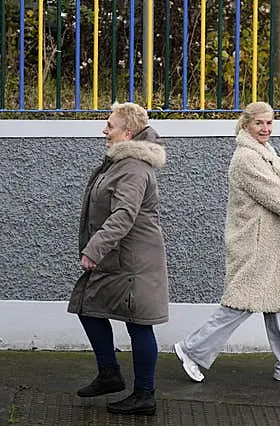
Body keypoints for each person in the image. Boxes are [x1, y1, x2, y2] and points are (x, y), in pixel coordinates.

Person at [174, 101, 280, 382]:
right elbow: (278, 197)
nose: (266, 128)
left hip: (267, 241)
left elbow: (274, 191)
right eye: (259, 123)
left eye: (269, 123)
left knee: (278, 303)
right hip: (255, 243)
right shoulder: (247, 158)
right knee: (241, 302)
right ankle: (192, 350)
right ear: (246, 124)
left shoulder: (262, 153)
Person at [67, 102, 169, 416]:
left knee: (139, 324)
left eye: (110, 125)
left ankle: (144, 395)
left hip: (134, 262)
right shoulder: (120, 163)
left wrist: (93, 249)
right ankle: (109, 374)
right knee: (88, 306)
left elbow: (123, 215)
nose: (104, 130)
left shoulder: (134, 168)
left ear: (127, 132)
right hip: (118, 259)